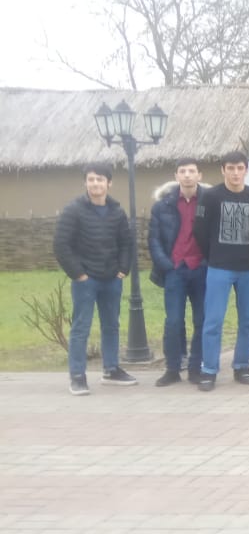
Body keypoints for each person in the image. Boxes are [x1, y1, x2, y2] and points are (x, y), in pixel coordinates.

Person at [54, 162, 136, 395]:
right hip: (86, 280)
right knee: (81, 327)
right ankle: (77, 376)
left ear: (109, 183)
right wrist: (78, 274)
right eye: (91, 179)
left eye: (100, 179)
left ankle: (111, 370)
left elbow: (126, 243)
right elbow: (61, 245)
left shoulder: (117, 212)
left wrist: (123, 269)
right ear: (85, 183)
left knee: (111, 325)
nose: (95, 183)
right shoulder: (73, 210)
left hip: (112, 278)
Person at [195, 151, 249, 391]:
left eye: (239, 168)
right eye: (230, 168)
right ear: (223, 170)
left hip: (248, 268)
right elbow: (200, 231)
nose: (235, 173)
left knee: (248, 320)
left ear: (246, 170)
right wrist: (213, 255)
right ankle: (209, 370)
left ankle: (242, 365)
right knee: (213, 321)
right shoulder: (210, 196)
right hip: (219, 267)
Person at [148, 158, 207, 387]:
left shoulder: (209, 201)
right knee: (173, 321)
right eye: (183, 171)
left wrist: (209, 262)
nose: (187, 175)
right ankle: (172, 369)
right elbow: (153, 240)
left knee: (202, 321)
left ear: (199, 175)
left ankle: (195, 368)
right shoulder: (162, 206)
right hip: (175, 270)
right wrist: (167, 264)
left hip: (202, 269)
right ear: (176, 176)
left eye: (192, 171)